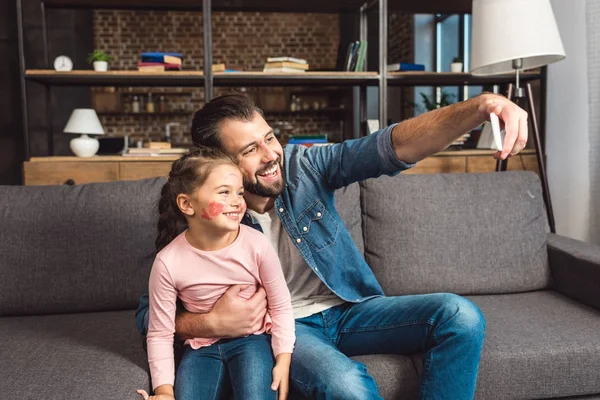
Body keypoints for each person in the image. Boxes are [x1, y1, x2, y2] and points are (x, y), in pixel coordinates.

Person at [136, 91, 529, 399]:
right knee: (345, 384)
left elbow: (390, 147)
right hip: (287, 328)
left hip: (351, 309)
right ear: (218, 163)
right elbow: (148, 315)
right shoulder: (203, 212)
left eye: (269, 137)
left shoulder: (303, 166)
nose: (272, 155)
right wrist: (211, 324)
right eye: (250, 150)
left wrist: (481, 106)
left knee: (460, 315)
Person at [136, 147, 295, 400]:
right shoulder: (167, 262)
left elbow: (281, 306)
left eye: (240, 193)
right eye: (224, 192)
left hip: (251, 342)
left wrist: (283, 360)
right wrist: (164, 391)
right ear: (187, 204)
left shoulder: (257, 245)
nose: (238, 202)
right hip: (200, 349)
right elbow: (160, 333)